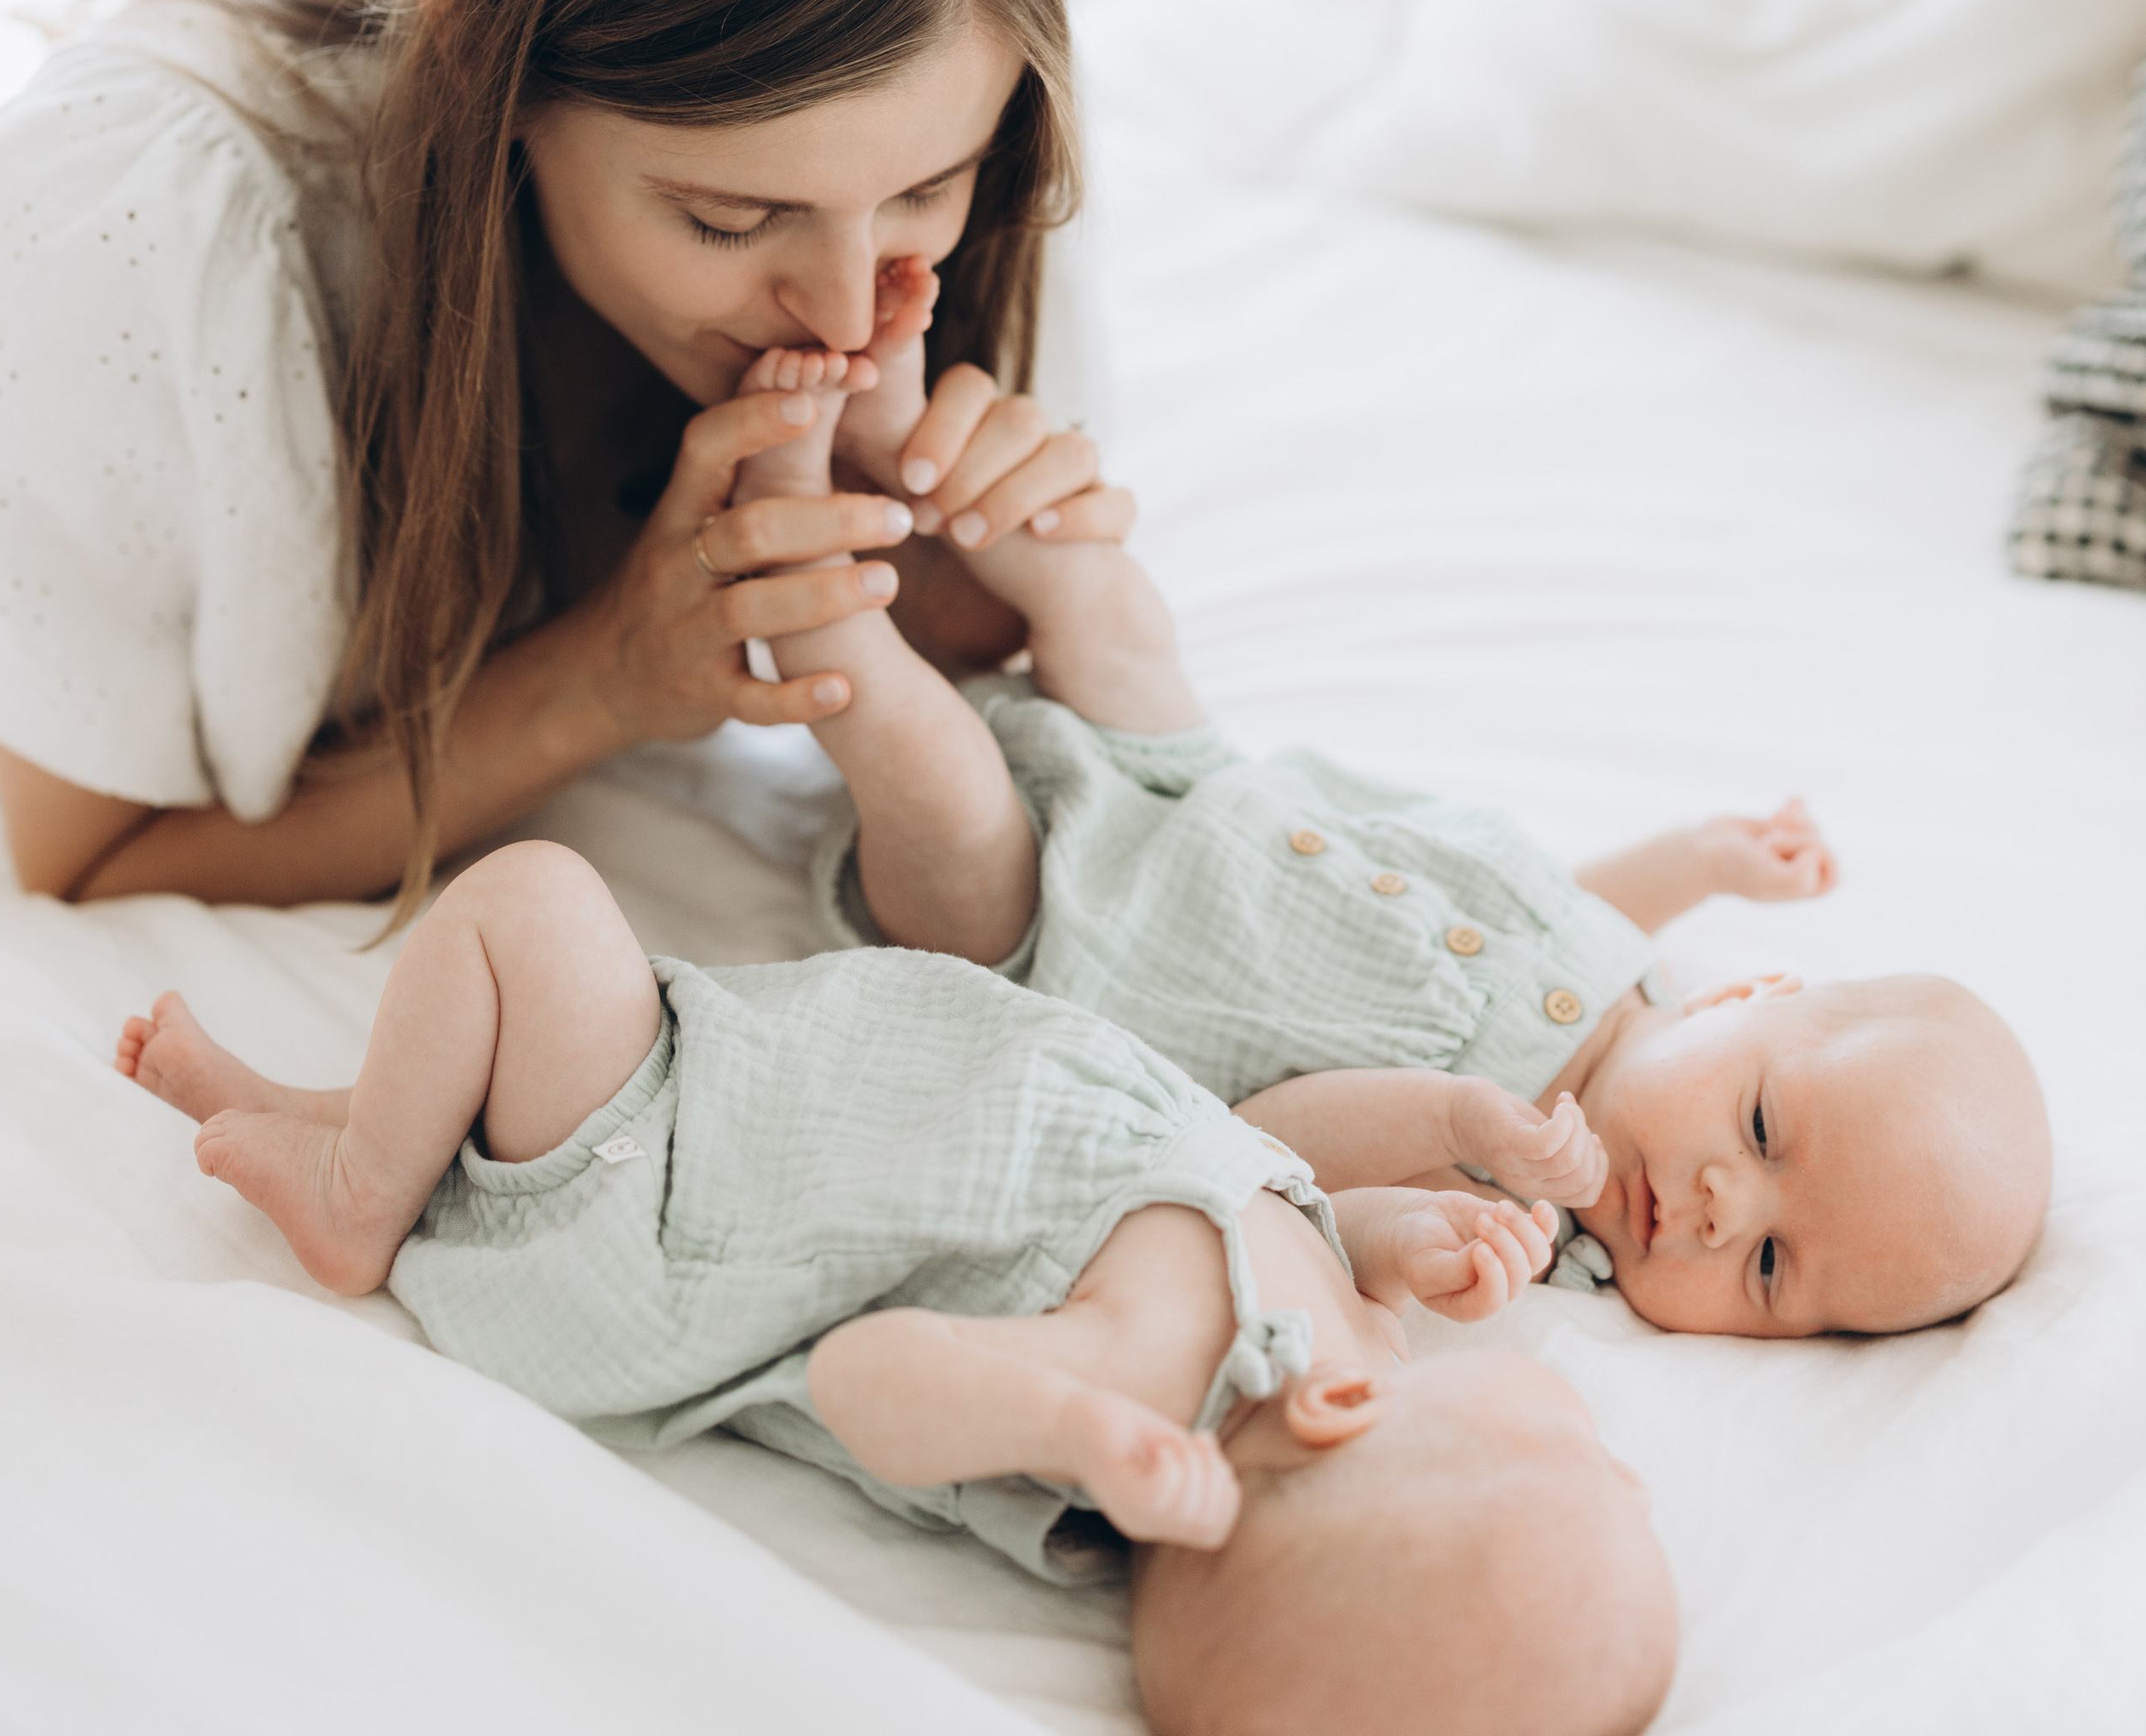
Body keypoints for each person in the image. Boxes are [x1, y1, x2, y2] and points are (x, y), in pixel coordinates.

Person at [0, 0, 1123, 913]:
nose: (852, 311)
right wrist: (602, 680)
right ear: (484, 70)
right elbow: (89, 856)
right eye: (732, 219)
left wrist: (945, 557)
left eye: (924, 194)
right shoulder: (133, 235)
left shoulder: (953, 91)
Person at [113, 839, 1678, 1736]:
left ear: (1340, 1424)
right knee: (485, 1034)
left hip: (664, 1172)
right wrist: (1398, 1224)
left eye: (1594, 1481)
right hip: (748, 1081)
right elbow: (1258, 1162)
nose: (1629, 1469)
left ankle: (357, 1199)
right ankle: (323, 1121)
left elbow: (865, 1380)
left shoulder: (1140, 1387)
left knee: (529, 908)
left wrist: (1075, 1422)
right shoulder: (1348, 1327)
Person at [726, 317, 2055, 1341]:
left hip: (1052, 933)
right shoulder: (1619, 978)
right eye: (1762, 1127)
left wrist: (1456, 1138)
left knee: (939, 775)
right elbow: (1579, 904)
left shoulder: (1516, 1212)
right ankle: (901, 438)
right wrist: (1706, 859)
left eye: (1769, 1266)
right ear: (1743, 998)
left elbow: (1277, 1136)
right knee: (1110, 606)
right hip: (1185, 773)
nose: (1721, 1206)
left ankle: (798, 554)